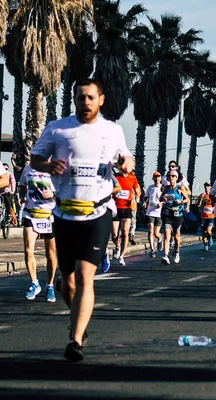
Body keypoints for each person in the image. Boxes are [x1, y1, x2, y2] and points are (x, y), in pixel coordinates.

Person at [30, 78, 135, 362]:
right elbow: (35, 158)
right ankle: (78, 318)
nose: (85, 102)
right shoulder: (58, 128)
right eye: (80, 97)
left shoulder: (111, 130)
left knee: (85, 277)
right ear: (74, 99)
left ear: (101, 99)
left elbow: (126, 158)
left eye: (90, 97)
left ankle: (75, 339)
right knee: (68, 283)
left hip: (98, 212)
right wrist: (48, 165)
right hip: (64, 213)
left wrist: (126, 163)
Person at [19, 163, 59, 302]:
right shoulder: (28, 169)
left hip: (49, 216)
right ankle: (34, 283)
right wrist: (22, 197)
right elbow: (22, 185)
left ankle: (50, 285)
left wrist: (53, 193)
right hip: (30, 214)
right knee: (28, 250)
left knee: (51, 254)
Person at [111, 170, 141, 266]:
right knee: (115, 234)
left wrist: (137, 197)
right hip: (115, 208)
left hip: (127, 209)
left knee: (125, 233)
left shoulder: (132, 178)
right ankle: (118, 246)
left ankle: (122, 256)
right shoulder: (115, 177)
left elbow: (137, 191)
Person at [160, 169, 190, 265]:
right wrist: (163, 198)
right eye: (169, 176)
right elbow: (160, 198)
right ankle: (166, 255)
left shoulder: (180, 188)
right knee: (167, 234)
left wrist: (181, 202)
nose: (171, 178)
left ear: (177, 178)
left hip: (178, 215)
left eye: (173, 176)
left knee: (176, 237)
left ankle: (177, 252)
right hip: (167, 214)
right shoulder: (166, 188)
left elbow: (187, 199)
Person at [145, 172, 163, 257]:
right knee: (150, 230)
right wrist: (145, 202)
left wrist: (161, 203)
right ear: (153, 178)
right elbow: (146, 197)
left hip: (159, 213)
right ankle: (152, 250)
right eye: (155, 177)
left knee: (156, 233)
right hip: (150, 212)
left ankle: (160, 239)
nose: (157, 178)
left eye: (158, 176)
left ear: (160, 178)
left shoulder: (162, 188)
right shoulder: (150, 187)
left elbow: (165, 198)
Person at [197, 182, 215, 251]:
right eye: (205, 187)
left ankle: (210, 237)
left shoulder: (213, 196)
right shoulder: (202, 195)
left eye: (208, 187)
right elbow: (198, 205)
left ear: (210, 188)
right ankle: (205, 245)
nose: (206, 188)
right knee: (203, 231)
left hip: (211, 216)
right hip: (203, 216)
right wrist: (200, 198)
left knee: (208, 230)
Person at [128, 176, 142, 245]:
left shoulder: (136, 185)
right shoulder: (136, 185)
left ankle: (131, 234)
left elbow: (138, 196)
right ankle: (131, 234)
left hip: (132, 206)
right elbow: (138, 197)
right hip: (128, 206)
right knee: (132, 221)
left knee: (131, 221)